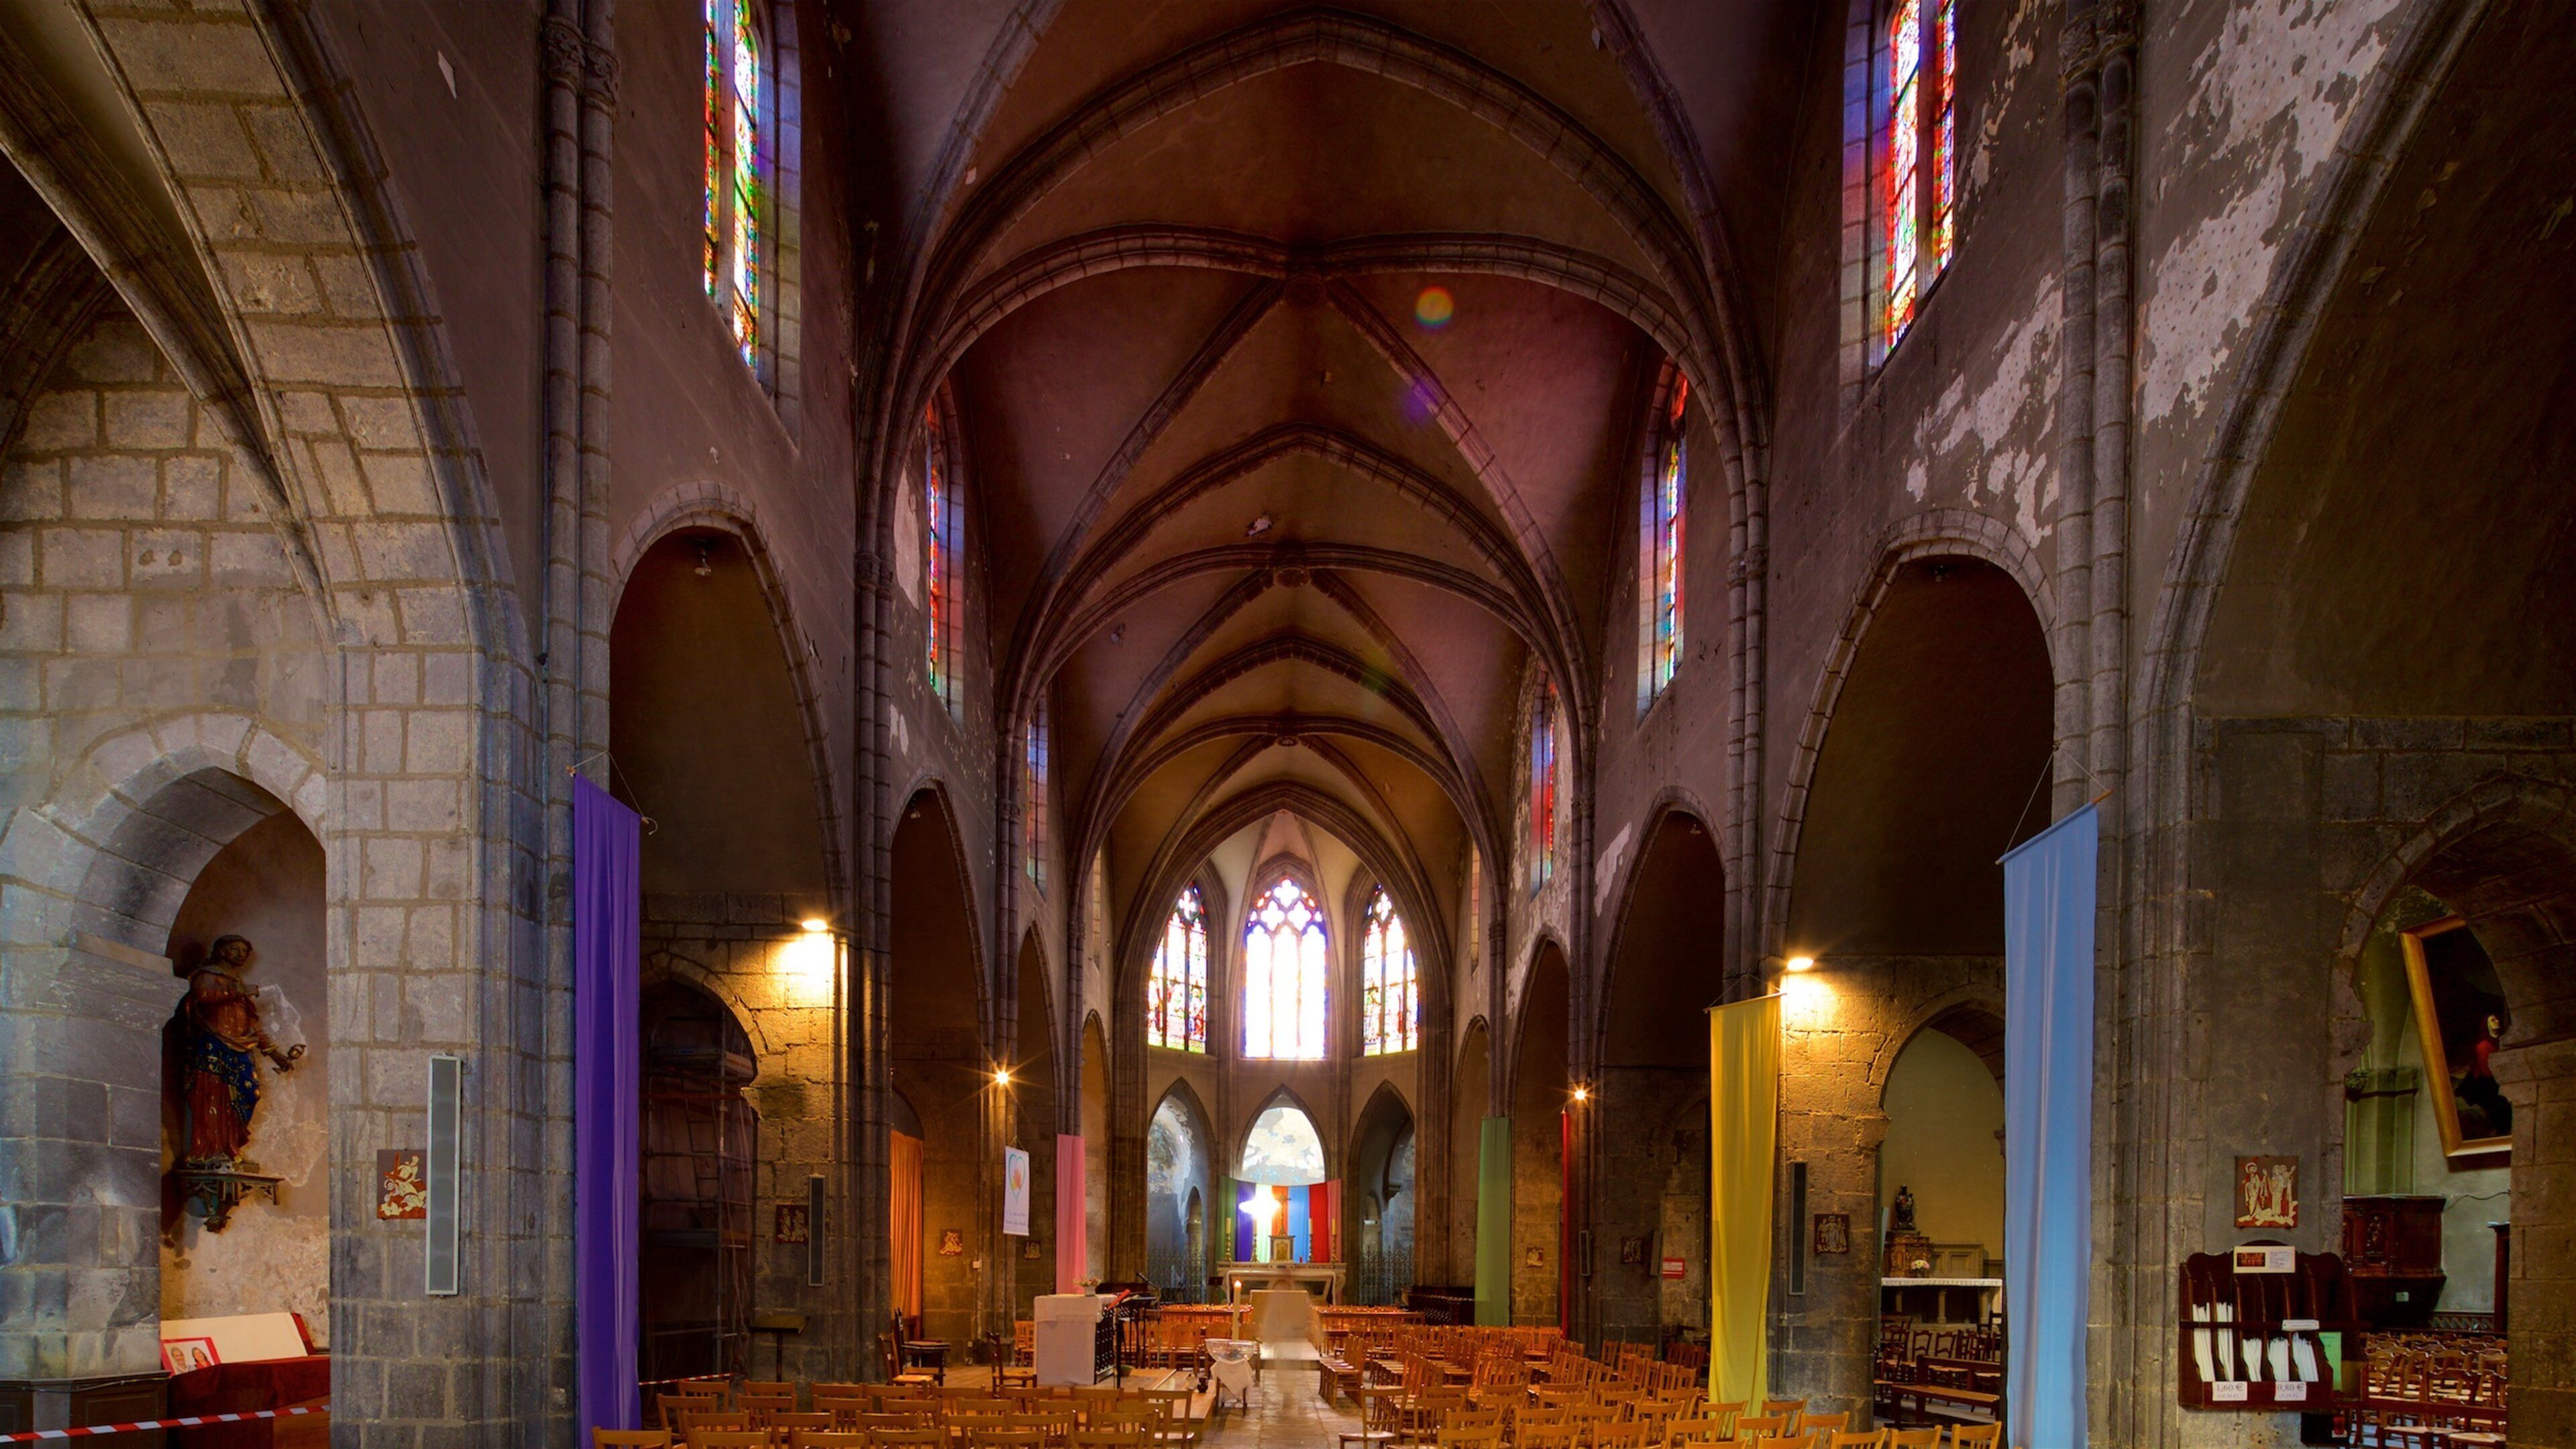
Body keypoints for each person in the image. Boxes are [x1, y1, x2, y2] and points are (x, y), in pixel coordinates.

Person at [176, 935, 302, 1167]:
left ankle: (230, 1147)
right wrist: (241, 990)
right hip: (213, 1044)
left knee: (250, 1093)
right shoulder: (207, 976)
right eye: (235, 949)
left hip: (241, 1047)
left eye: (244, 951)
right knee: (212, 1096)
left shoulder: (236, 987)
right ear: (221, 951)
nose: (240, 954)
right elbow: (205, 995)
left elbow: (251, 1026)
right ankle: (208, 1152)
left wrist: (275, 1054)